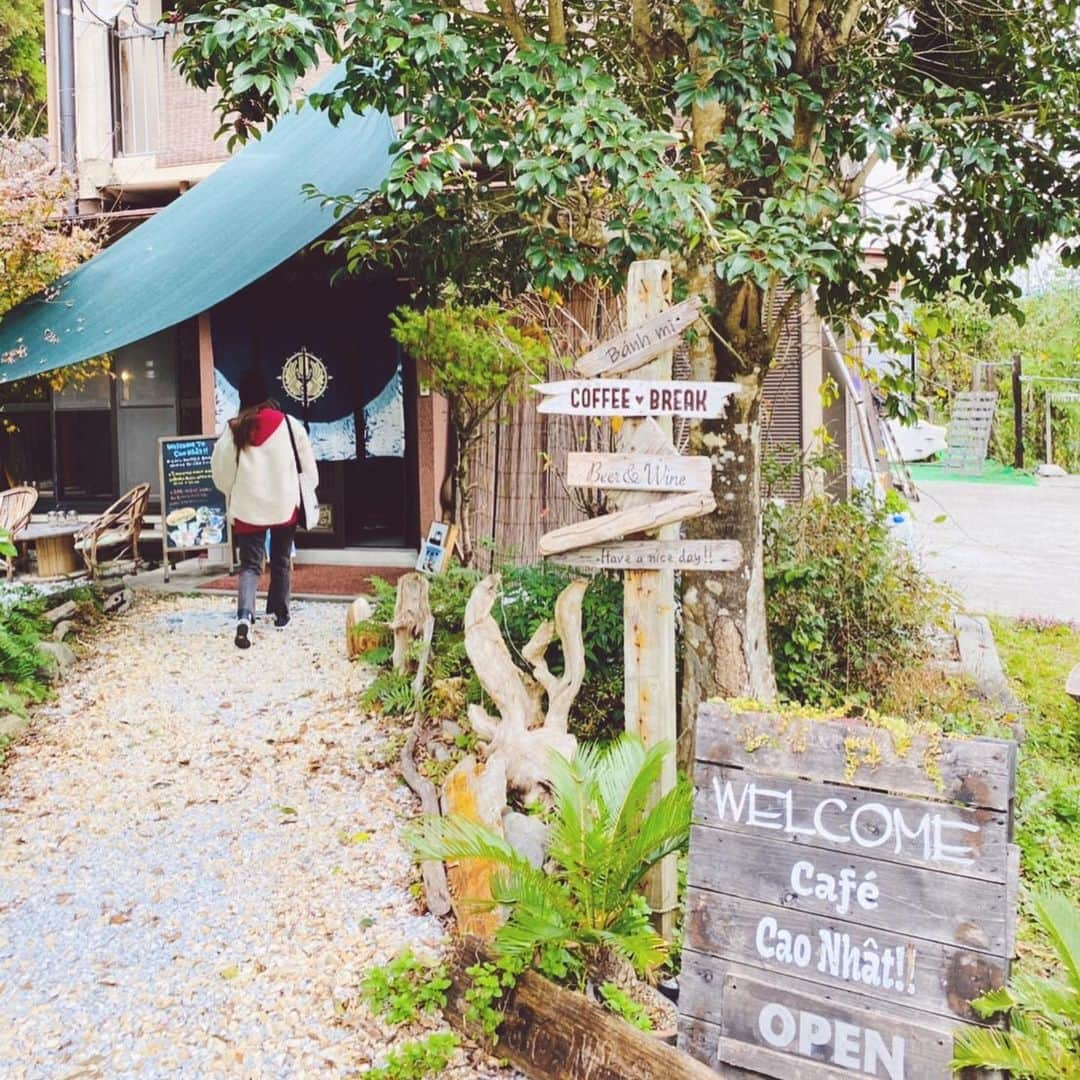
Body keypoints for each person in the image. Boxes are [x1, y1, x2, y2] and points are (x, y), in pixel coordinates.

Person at [211, 370, 318, 649]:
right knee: (281, 559)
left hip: (249, 508)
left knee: (250, 566)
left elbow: (222, 474)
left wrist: (233, 490)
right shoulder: (289, 424)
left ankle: (245, 617)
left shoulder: (234, 429)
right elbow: (308, 468)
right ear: (267, 396)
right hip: (283, 505)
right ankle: (280, 613)